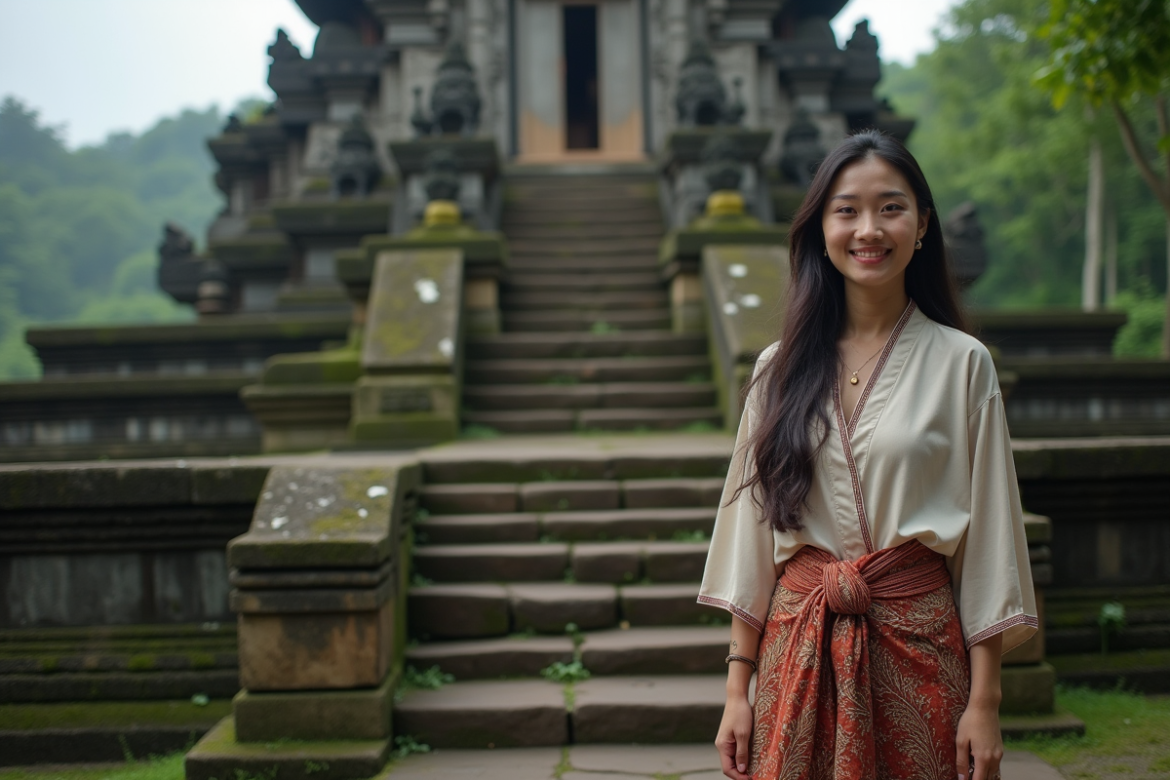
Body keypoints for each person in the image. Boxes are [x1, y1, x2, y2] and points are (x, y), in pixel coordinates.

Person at [698, 129, 1037, 780]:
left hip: (922, 652)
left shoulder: (964, 364)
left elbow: (992, 539)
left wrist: (986, 701)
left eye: (891, 207)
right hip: (796, 651)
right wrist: (736, 691)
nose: (868, 229)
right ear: (821, 228)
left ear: (922, 225)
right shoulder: (778, 370)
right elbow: (750, 535)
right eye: (846, 210)